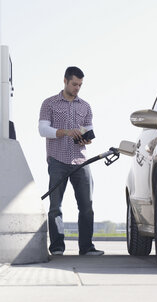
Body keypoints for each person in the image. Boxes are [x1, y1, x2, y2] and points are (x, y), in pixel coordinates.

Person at [38, 66, 104, 256]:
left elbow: (90, 132)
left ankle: (86, 247)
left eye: (80, 85)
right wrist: (65, 132)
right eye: (74, 84)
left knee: (86, 206)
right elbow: (43, 130)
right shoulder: (49, 104)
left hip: (80, 161)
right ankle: (57, 248)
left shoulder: (85, 106)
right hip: (57, 160)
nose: (77, 88)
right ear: (65, 81)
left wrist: (87, 138)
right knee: (55, 207)